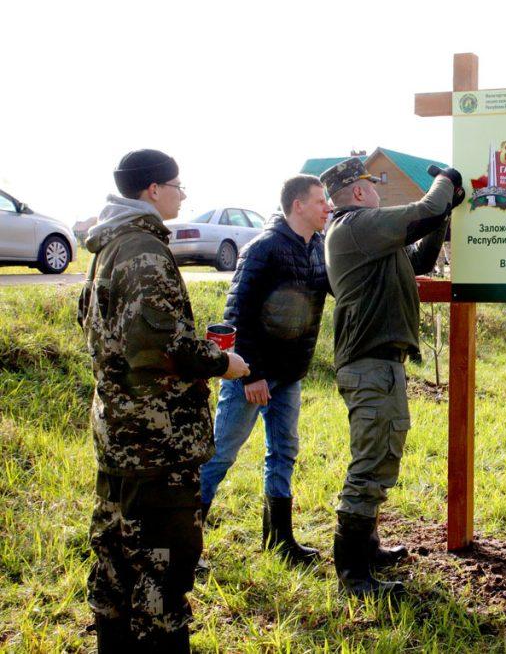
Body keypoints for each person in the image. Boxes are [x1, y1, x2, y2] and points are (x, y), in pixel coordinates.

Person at [78, 149, 249, 652]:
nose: (181, 195)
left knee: (114, 560)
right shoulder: (143, 252)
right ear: (152, 190)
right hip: (157, 445)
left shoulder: (109, 248)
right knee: (163, 564)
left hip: (120, 438)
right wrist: (224, 363)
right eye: (177, 186)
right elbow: (161, 346)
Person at [323, 157, 464, 596]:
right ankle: (352, 572)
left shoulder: (367, 236)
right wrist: (447, 181)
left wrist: (445, 213)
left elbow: (420, 257)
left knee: (380, 455)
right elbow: (420, 212)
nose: (377, 188)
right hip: (370, 364)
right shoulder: (355, 226)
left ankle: (367, 548)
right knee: (371, 463)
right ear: (360, 192)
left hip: (377, 363)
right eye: (372, 182)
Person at [198, 175, 332, 566]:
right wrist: (251, 375)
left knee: (283, 452)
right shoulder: (262, 249)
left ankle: (279, 541)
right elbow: (236, 314)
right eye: (320, 200)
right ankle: (185, 544)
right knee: (221, 453)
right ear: (298, 206)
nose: (326, 207)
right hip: (252, 375)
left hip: (290, 374)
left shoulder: (318, 248)